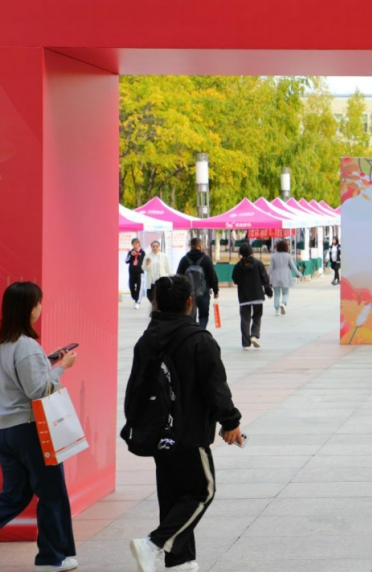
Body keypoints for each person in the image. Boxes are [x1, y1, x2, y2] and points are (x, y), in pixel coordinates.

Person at [125, 275, 243, 572]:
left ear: (156, 303)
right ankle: (154, 544)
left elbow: (134, 387)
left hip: (158, 432)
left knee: (173, 494)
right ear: (190, 302)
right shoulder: (199, 340)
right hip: (189, 433)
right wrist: (230, 421)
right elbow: (216, 387)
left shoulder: (147, 339)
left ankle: (181, 561)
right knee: (203, 490)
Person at [0, 282, 79, 572]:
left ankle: (55, 555)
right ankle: (51, 558)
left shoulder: (0, 342)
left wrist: (45, 363)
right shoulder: (26, 346)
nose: (40, 307)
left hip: (6, 430)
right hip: (31, 430)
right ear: (29, 308)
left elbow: (22, 381)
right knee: (52, 492)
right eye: (38, 302)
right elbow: (38, 390)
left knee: (14, 496)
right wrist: (62, 367)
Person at [231, 243, 272, 350]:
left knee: (245, 320)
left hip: (244, 297)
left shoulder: (238, 266)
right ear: (251, 252)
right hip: (257, 295)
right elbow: (265, 279)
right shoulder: (258, 264)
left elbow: (235, 280)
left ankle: (246, 344)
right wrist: (268, 291)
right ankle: (254, 335)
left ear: (240, 253)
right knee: (257, 317)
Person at [175, 238, 219, 329]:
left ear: (191, 246)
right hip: (204, 292)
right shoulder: (206, 259)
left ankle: (192, 332)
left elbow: (178, 276)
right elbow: (212, 276)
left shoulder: (184, 259)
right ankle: (201, 331)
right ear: (200, 246)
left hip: (188, 293)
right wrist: (216, 291)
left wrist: (179, 291)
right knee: (203, 315)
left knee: (190, 315)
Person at [268, 240, 301, 316]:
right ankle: (283, 303)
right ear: (286, 247)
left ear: (277, 247)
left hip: (275, 276)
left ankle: (276, 310)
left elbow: (270, 268)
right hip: (285, 276)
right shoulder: (288, 255)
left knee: (276, 294)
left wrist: (266, 276)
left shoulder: (273, 256)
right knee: (285, 293)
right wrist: (299, 274)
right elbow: (293, 266)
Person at [144, 240, 172, 310]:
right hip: (152, 281)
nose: (155, 248)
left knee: (161, 296)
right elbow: (144, 268)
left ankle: (158, 308)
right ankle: (155, 306)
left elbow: (168, 267)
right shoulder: (148, 256)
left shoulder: (164, 256)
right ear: (151, 248)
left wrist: (171, 277)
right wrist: (147, 265)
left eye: (156, 246)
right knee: (149, 295)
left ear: (159, 247)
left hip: (161, 280)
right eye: (153, 246)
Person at [126, 238, 147, 309]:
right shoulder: (130, 252)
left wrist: (145, 267)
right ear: (132, 244)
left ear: (139, 244)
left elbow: (145, 261)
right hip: (132, 272)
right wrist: (131, 255)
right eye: (134, 244)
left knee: (139, 288)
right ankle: (135, 297)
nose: (135, 245)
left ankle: (137, 302)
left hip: (139, 273)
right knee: (131, 287)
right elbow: (126, 261)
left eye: (136, 243)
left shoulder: (142, 252)